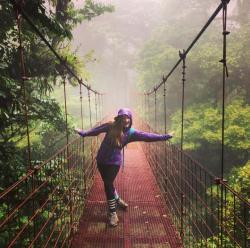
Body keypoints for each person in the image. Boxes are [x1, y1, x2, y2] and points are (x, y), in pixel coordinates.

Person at [75, 108, 173, 227]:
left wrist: (165, 137)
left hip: (114, 162)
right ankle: (116, 198)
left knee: (107, 183)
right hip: (101, 160)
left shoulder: (132, 133)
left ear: (130, 119)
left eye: (128, 118)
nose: (125, 120)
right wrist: (83, 133)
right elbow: (96, 131)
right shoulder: (110, 126)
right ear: (119, 118)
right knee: (108, 183)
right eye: (123, 117)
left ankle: (112, 213)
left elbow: (147, 137)